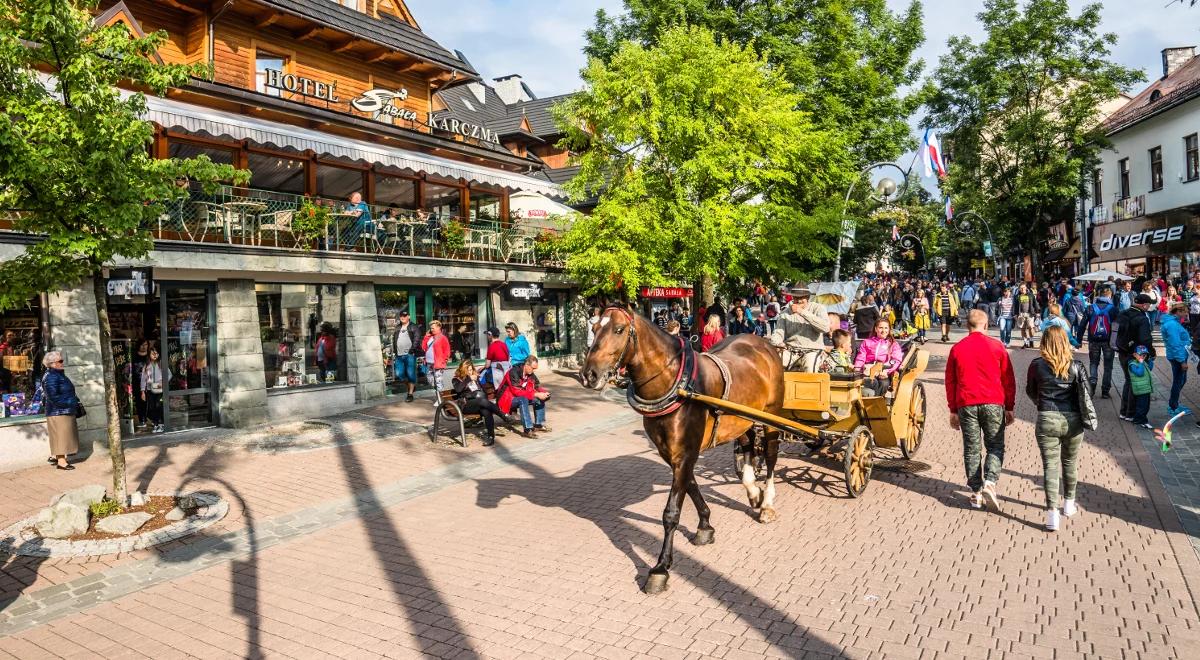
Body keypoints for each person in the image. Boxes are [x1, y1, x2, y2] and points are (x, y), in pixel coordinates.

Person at [1025, 325, 1097, 531]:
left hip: (1047, 417)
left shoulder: (1036, 365)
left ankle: (1052, 514)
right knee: (1070, 462)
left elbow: (1031, 391)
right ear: (1065, 342)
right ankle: (1068, 504)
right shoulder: (1076, 366)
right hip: (1073, 418)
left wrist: (1042, 403)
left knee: (1050, 466)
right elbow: (1087, 393)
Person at [946, 310, 1016, 512]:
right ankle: (990, 482)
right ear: (986, 325)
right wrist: (1009, 406)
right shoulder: (997, 346)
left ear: (967, 326)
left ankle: (976, 492)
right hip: (993, 402)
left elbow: (950, 381)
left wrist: (953, 409)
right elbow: (1008, 379)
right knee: (995, 445)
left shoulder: (958, 349)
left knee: (971, 447)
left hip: (967, 403)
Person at [768, 288, 830, 371]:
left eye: (802, 298)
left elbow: (825, 328)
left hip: (812, 350)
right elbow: (778, 332)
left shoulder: (818, 308)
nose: (799, 300)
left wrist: (801, 312)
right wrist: (777, 343)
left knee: (810, 368)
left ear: (807, 298)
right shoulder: (785, 313)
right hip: (790, 350)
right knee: (771, 364)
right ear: (793, 297)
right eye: (796, 298)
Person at [1117, 294, 1156, 422]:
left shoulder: (1122, 313)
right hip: (1135, 354)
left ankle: (1124, 411)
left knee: (1128, 381)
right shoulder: (1142, 318)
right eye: (1149, 304)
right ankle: (1131, 413)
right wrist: (1151, 352)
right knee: (1135, 383)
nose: (1149, 307)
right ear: (1144, 305)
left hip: (1122, 351)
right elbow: (1145, 339)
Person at [39, 351, 80, 470]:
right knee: (60, 437)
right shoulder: (52, 376)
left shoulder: (57, 374)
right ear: (52, 363)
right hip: (58, 411)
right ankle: (61, 462)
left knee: (63, 436)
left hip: (62, 410)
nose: (63, 363)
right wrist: (69, 403)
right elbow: (52, 396)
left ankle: (58, 457)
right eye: (60, 361)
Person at [452, 360, 505, 447]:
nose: (469, 372)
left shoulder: (475, 378)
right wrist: (468, 379)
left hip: (480, 403)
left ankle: (491, 437)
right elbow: (458, 389)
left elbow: (483, 392)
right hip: (466, 405)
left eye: (470, 370)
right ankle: (502, 414)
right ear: (462, 370)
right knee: (482, 402)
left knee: (486, 410)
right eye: (467, 370)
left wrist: (478, 382)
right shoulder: (456, 379)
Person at [498, 356, 550, 437]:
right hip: (506, 399)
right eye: (533, 368)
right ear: (526, 365)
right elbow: (517, 391)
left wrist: (544, 393)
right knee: (523, 399)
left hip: (520, 396)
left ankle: (538, 425)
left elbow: (536, 386)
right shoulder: (513, 372)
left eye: (535, 369)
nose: (534, 371)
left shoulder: (530, 373)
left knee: (539, 399)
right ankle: (527, 429)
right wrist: (536, 394)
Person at [853, 319, 904, 396]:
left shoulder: (893, 344)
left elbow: (896, 360)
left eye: (886, 328)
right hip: (867, 371)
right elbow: (861, 357)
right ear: (876, 329)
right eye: (881, 328)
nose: (883, 330)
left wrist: (887, 371)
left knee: (884, 384)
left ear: (889, 329)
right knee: (865, 382)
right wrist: (857, 368)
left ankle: (876, 402)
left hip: (884, 371)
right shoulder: (867, 342)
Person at [1083, 289, 1117, 398]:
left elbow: (1082, 324)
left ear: (1099, 296)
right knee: (1108, 367)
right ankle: (1105, 391)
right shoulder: (1113, 309)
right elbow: (1118, 326)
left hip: (1093, 340)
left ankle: (1092, 384)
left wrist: (1078, 339)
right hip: (1109, 341)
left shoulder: (1090, 308)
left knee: (1093, 363)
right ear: (1109, 296)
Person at [1162, 302, 1192, 416]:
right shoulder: (1172, 325)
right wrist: (1182, 361)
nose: (1186, 314)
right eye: (1184, 312)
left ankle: (1174, 403)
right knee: (1178, 381)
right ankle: (1173, 406)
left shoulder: (1174, 323)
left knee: (1181, 380)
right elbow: (1175, 344)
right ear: (1178, 312)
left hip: (1178, 355)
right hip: (1177, 357)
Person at [392, 311, 420, 401]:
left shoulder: (414, 326)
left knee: (411, 374)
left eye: (404, 316)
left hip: (409, 354)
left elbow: (417, 339)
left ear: (409, 316)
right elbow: (394, 340)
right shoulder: (397, 327)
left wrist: (412, 350)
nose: (402, 317)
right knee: (399, 374)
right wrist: (395, 351)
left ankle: (410, 394)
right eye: (401, 316)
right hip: (399, 355)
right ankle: (411, 386)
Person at [1127, 345, 1154, 429]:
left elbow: (1150, 368)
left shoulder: (1143, 362)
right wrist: (1142, 363)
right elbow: (1140, 373)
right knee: (1142, 406)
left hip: (1145, 388)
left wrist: (1150, 360)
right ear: (1135, 355)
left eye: (1145, 355)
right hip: (1140, 389)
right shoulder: (1132, 364)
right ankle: (1142, 420)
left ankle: (1138, 419)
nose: (1143, 357)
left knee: (1146, 406)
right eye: (1141, 355)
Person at [141, 347, 165, 433]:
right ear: (149, 355)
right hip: (150, 390)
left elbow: (169, 374)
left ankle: (161, 424)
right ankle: (155, 425)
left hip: (160, 389)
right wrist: (142, 391)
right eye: (152, 353)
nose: (155, 355)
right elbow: (143, 379)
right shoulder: (147, 365)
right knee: (152, 408)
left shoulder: (161, 364)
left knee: (159, 406)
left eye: (156, 353)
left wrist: (163, 382)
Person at [422, 320, 451, 391]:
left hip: (438, 363)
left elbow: (447, 351)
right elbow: (423, 347)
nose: (431, 330)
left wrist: (444, 360)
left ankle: (440, 399)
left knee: (438, 381)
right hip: (429, 362)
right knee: (430, 380)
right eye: (431, 328)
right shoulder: (429, 337)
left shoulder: (442, 337)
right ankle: (437, 395)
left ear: (439, 327)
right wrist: (426, 337)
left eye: (433, 328)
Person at [131, 339, 150, 429]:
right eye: (142, 344)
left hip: (149, 382)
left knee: (149, 401)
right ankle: (142, 419)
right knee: (139, 402)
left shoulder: (150, 355)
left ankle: (149, 418)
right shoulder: (133, 355)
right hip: (136, 382)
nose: (144, 346)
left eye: (145, 344)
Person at [1014, 283, 1039, 349]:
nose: (1022, 289)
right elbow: (1015, 306)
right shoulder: (1017, 296)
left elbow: (1035, 303)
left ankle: (1031, 341)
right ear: (1019, 289)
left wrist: (1037, 312)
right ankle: (1026, 343)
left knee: (1031, 327)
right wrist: (1015, 314)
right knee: (1022, 329)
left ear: (1026, 288)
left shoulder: (1031, 295)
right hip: (1021, 314)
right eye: (1021, 288)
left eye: (1023, 288)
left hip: (1029, 314)